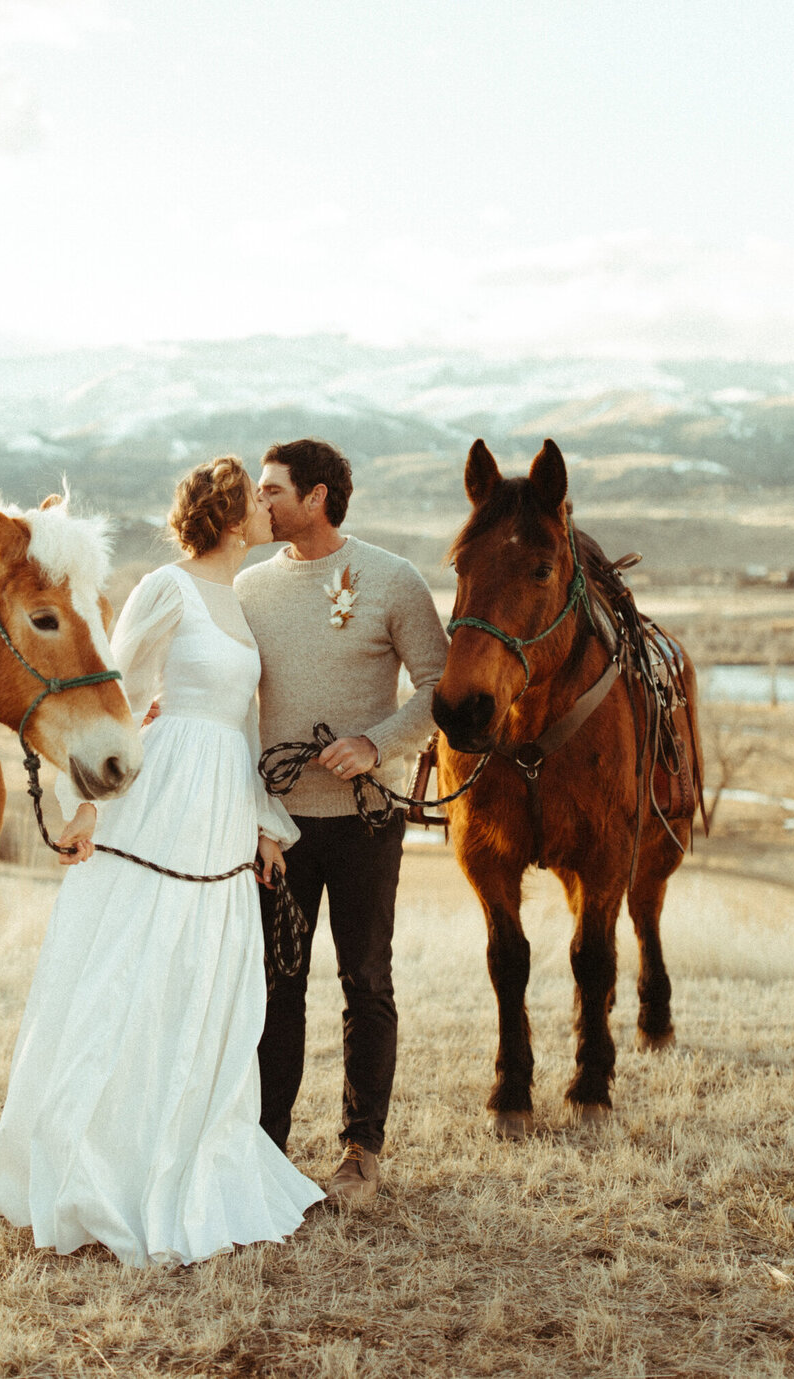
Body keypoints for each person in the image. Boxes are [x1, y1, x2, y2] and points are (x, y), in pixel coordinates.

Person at [0, 456, 324, 1266]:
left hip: (221, 809)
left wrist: (263, 825)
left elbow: (242, 726)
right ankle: (102, 1166)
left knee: (203, 975)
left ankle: (189, 1150)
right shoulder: (166, 588)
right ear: (231, 516)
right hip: (159, 793)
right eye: (257, 498)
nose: (270, 508)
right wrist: (89, 806)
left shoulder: (238, 603)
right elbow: (117, 695)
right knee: (134, 968)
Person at [236, 439, 449, 1209]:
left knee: (365, 983)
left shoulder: (393, 580)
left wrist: (378, 743)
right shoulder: (249, 588)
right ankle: (265, 1144)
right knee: (275, 986)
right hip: (278, 831)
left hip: (365, 822)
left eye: (270, 490)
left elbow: (439, 685)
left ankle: (362, 1151)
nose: (258, 503)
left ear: (317, 496)